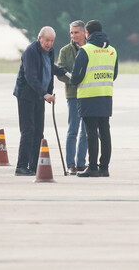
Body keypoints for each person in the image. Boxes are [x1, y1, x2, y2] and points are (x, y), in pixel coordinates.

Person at [13, 26, 69, 176]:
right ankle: (21, 166)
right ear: (39, 38)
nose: (49, 44)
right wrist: (45, 94)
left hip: (40, 95)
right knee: (28, 130)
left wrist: (64, 72)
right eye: (46, 40)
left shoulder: (50, 52)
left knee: (39, 132)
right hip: (26, 95)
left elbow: (50, 68)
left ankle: (33, 166)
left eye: (51, 41)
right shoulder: (30, 52)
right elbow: (30, 76)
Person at [70, 20, 118, 177]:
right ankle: (104, 168)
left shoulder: (86, 50)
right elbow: (114, 74)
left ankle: (92, 167)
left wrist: (73, 80)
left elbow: (76, 77)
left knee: (91, 133)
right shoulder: (112, 51)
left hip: (88, 97)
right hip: (105, 95)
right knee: (105, 132)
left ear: (87, 33)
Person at [57, 20, 88, 175]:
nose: (73, 35)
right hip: (73, 95)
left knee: (86, 130)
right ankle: (71, 164)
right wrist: (74, 80)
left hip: (89, 94)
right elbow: (60, 71)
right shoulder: (65, 51)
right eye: (71, 32)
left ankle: (81, 163)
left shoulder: (91, 49)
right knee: (73, 130)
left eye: (76, 32)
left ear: (84, 33)